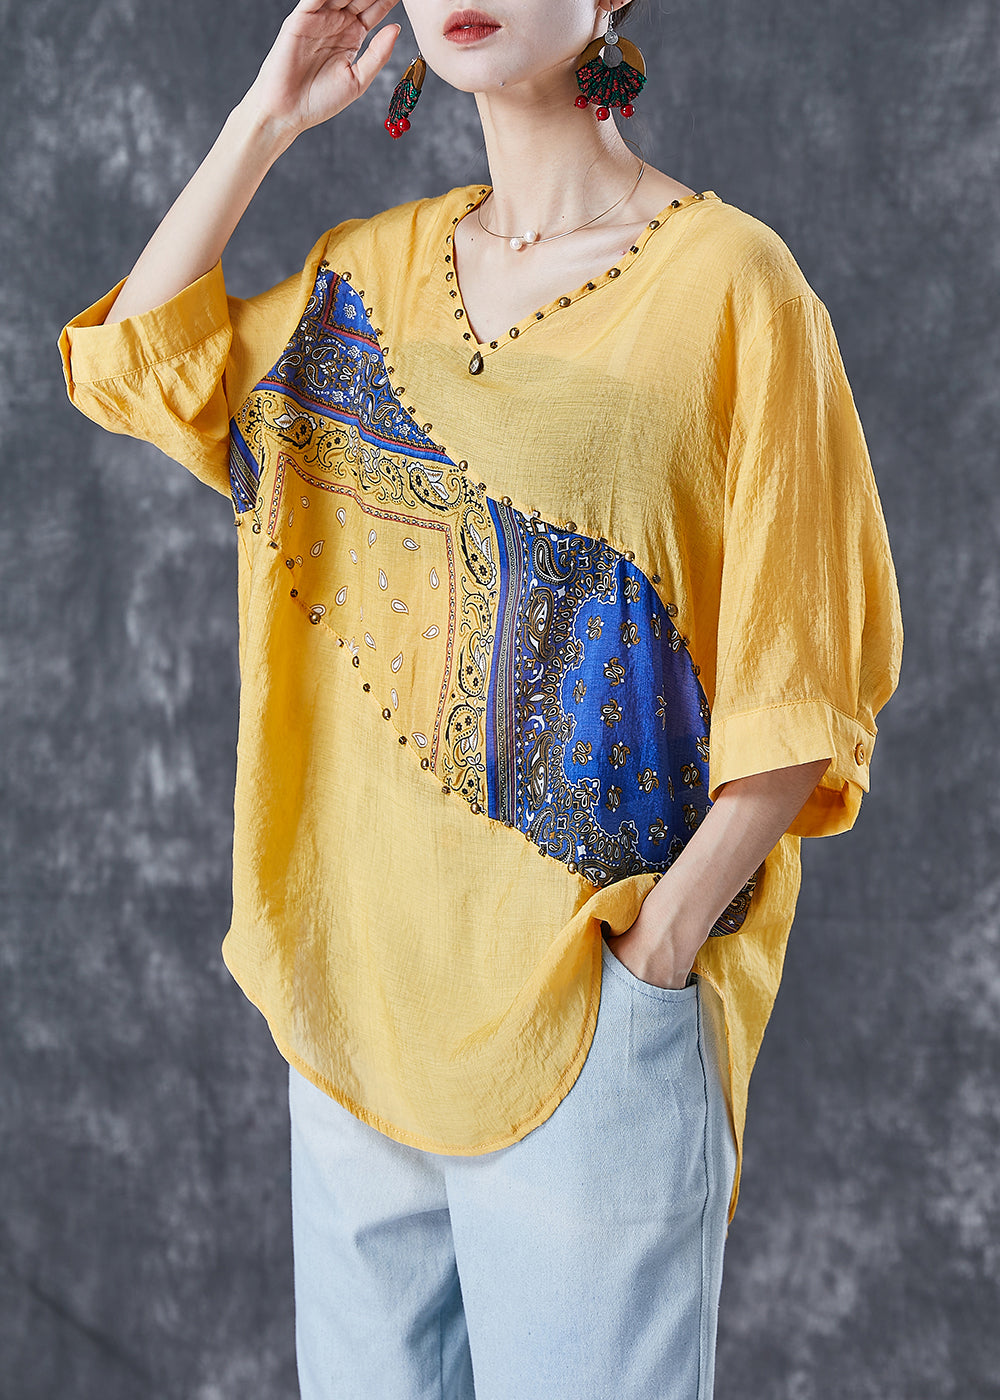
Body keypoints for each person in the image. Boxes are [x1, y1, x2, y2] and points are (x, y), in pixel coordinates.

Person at [57, 0, 904, 1394]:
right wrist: (263, 122)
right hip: (356, 1010)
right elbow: (140, 366)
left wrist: (656, 953)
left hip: (589, 1013)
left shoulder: (733, 287)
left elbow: (804, 678)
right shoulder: (364, 274)